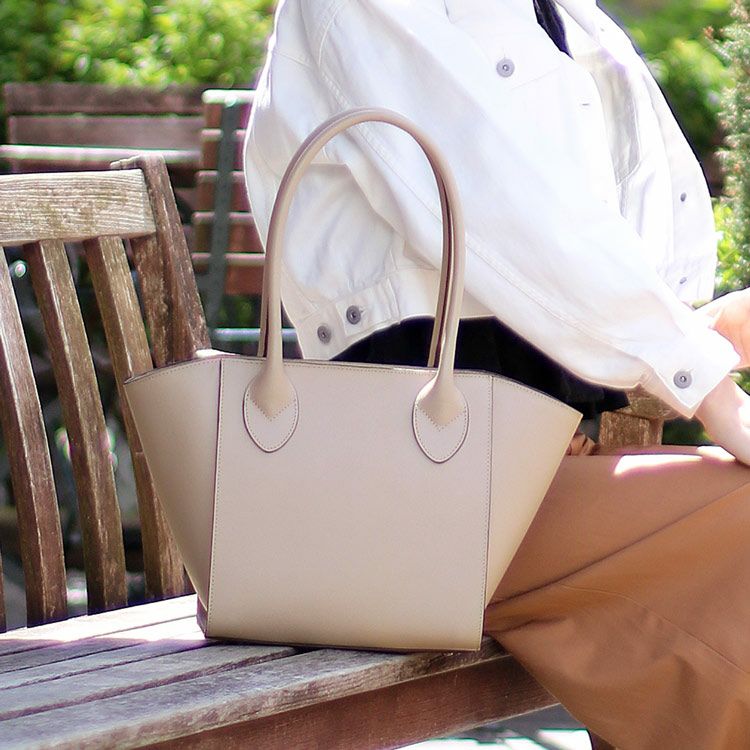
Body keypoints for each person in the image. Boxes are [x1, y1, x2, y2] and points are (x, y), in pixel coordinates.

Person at [243, 1, 750, 746]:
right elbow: (501, 211)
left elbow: (568, 229)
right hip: (416, 492)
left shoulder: (558, 10)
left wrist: (693, 333)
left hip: (525, 476)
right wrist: (710, 389)